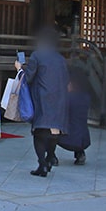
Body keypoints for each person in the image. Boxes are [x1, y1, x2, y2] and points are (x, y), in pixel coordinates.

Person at [16, 27, 69, 178]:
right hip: (59, 99)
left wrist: (19, 69)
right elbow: (66, 80)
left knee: (39, 133)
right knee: (54, 131)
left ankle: (42, 164)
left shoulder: (37, 56)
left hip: (42, 98)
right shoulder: (61, 59)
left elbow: (29, 77)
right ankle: (50, 158)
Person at [57, 66, 92, 166]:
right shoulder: (86, 97)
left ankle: (51, 156)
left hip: (67, 138)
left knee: (48, 129)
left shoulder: (68, 98)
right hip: (84, 139)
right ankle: (80, 153)